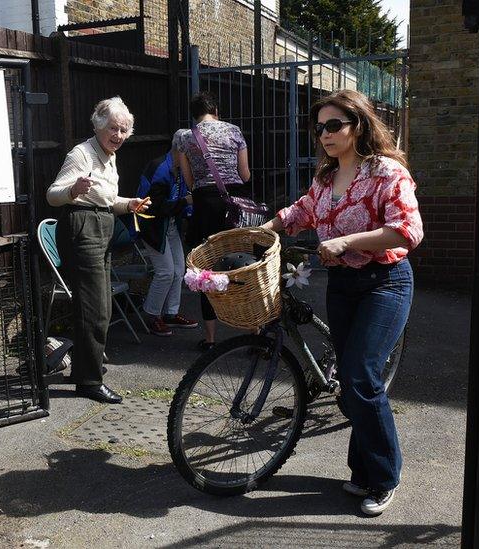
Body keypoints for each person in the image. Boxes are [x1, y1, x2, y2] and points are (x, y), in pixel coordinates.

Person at [261, 90, 423, 516]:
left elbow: (407, 231)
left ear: (358, 125)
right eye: (320, 128)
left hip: (385, 283)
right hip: (344, 285)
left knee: (361, 376)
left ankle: (386, 477)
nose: (326, 134)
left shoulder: (386, 173)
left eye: (335, 125)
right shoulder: (325, 180)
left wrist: (347, 240)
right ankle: (364, 469)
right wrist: (262, 233)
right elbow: (297, 214)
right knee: (350, 384)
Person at [46, 96, 149, 404]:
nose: (118, 136)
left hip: (101, 226)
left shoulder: (108, 155)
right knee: (95, 309)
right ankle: (90, 382)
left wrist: (128, 204)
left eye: (123, 130)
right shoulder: (81, 154)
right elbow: (53, 195)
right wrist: (72, 190)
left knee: (99, 304)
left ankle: (83, 371)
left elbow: (104, 200)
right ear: (100, 126)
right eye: (114, 129)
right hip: (83, 229)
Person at [177, 92, 251, 351]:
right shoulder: (234, 131)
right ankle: (255, 331)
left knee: (206, 269)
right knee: (245, 264)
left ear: (194, 114)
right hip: (234, 205)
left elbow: (188, 181)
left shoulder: (186, 137)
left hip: (204, 207)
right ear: (215, 111)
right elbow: (244, 174)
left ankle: (209, 339)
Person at [136, 131, 199, 336]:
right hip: (152, 226)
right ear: (180, 150)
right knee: (165, 272)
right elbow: (155, 208)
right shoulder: (160, 169)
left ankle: (171, 314)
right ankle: (152, 316)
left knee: (179, 270)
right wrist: (185, 203)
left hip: (169, 225)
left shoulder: (179, 168)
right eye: (191, 151)